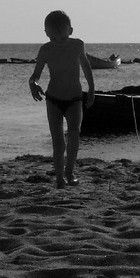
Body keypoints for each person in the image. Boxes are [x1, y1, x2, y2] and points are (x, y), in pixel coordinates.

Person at [29, 10, 95, 188]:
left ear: (70, 31)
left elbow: (87, 68)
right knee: (58, 142)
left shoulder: (77, 46)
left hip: (74, 99)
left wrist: (92, 90)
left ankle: (70, 171)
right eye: (53, 38)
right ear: (46, 34)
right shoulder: (45, 50)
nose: (57, 42)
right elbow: (35, 75)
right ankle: (59, 178)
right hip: (53, 100)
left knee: (74, 134)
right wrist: (32, 83)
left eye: (62, 38)